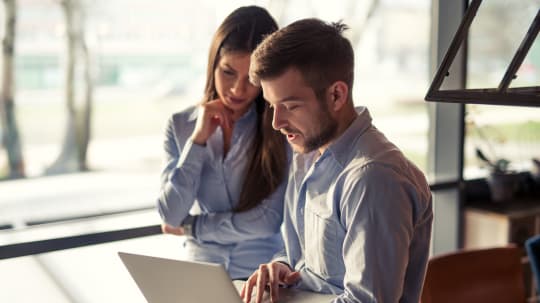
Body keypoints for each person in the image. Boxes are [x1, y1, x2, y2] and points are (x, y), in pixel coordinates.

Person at [241, 18, 433, 303]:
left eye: (290, 106)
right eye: (272, 106)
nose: (277, 123)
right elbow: (304, 259)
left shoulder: (373, 178)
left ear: (336, 95)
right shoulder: (306, 154)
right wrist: (282, 267)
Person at [156, 6, 288, 280]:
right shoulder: (181, 126)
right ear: (213, 64)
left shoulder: (280, 129)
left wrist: (193, 227)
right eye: (228, 72)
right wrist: (199, 141)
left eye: (251, 79)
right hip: (199, 276)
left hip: (261, 279)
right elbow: (170, 215)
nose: (238, 90)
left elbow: (267, 221)